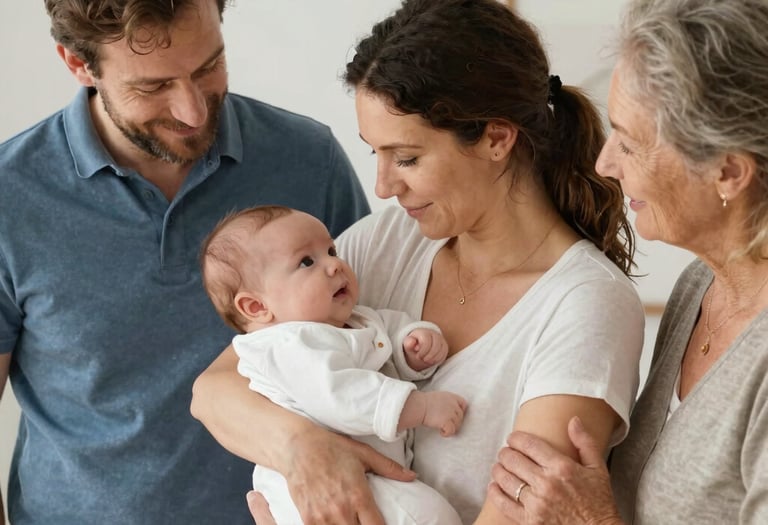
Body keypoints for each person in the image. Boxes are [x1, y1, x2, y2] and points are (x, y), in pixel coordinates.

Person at [190, 1, 646, 523]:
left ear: (497, 138)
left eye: (407, 158)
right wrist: (306, 450)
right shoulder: (383, 243)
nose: (383, 187)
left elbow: (523, 515)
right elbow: (216, 390)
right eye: (375, 155)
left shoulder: (585, 305)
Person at [0, 0, 370, 523]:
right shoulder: (9, 197)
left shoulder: (309, 159)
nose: (193, 112)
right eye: (153, 87)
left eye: (208, 67)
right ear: (78, 64)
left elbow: (375, 337)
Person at [488, 0, 768, 524]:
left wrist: (593, 519)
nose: (604, 163)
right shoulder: (700, 285)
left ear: (729, 172)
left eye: (632, 144)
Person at [200, 205, 466, 524]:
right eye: (307, 262)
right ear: (257, 306)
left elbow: (383, 337)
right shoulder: (287, 346)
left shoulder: (348, 320)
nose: (334, 265)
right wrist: (421, 408)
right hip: (319, 492)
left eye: (331, 250)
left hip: (367, 476)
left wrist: (412, 345)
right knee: (431, 516)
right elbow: (342, 396)